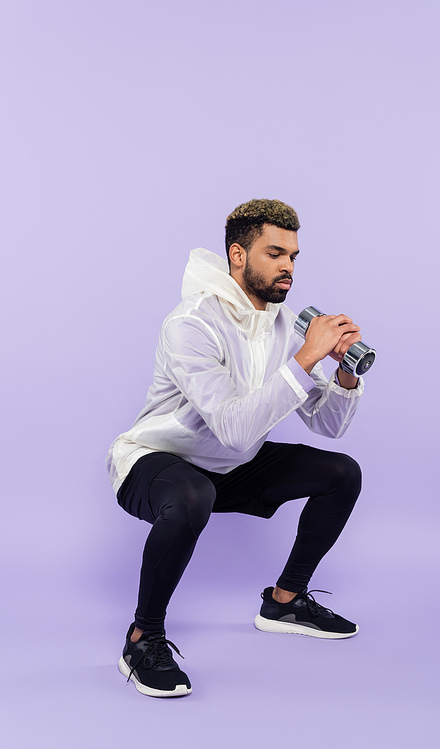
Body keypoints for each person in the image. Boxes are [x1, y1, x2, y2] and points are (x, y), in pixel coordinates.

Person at [106, 198, 365, 698]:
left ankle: (285, 602)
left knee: (342, 472)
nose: (288, 266)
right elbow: (233, 427)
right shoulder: (191, 324)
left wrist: (343, 370)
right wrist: (308, 355)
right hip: (156, 462)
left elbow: (329, 426)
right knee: (190, 495)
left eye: (293, 255)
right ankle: (142, 639)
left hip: (229, 465)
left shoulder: (286, 326)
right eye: (274, 253)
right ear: (238, 255)